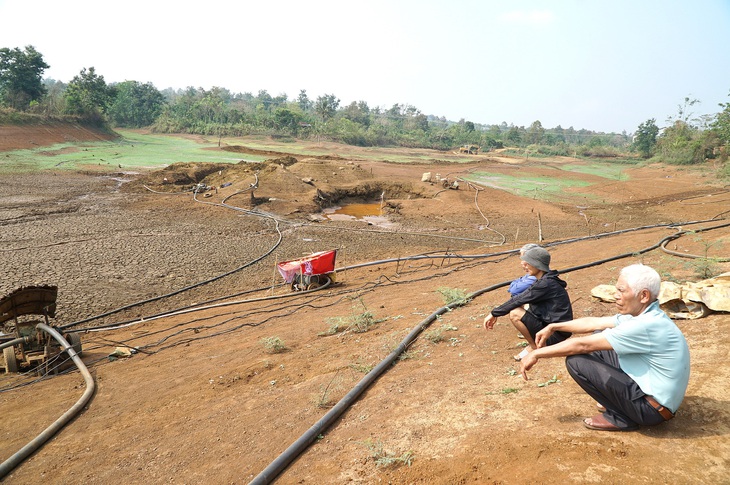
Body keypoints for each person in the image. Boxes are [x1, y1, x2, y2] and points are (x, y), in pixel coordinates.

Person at [520, 264, 690, 432]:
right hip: (655, 399)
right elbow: (594, 322)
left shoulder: (645, 326)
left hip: (651, 410)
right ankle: (618, 401)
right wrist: (555, 326)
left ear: (643, 296)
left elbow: (582, 345)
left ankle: (621, 417)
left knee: (577, 361)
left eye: (622, 291)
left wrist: (537, 353)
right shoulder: (646, 315)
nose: (616, 296)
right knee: (600, 334)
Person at [483, 246, 573, 361]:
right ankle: (535, 345)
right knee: (520, 304)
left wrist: (494, 313)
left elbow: (519, 299)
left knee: (515, 312)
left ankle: (535, 347)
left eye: (528, 263)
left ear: (537, 265)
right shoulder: (545, 280)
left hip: (555, 333)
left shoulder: (545, 284)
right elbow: (519, 297)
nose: (524, 265)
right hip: (551, 326)